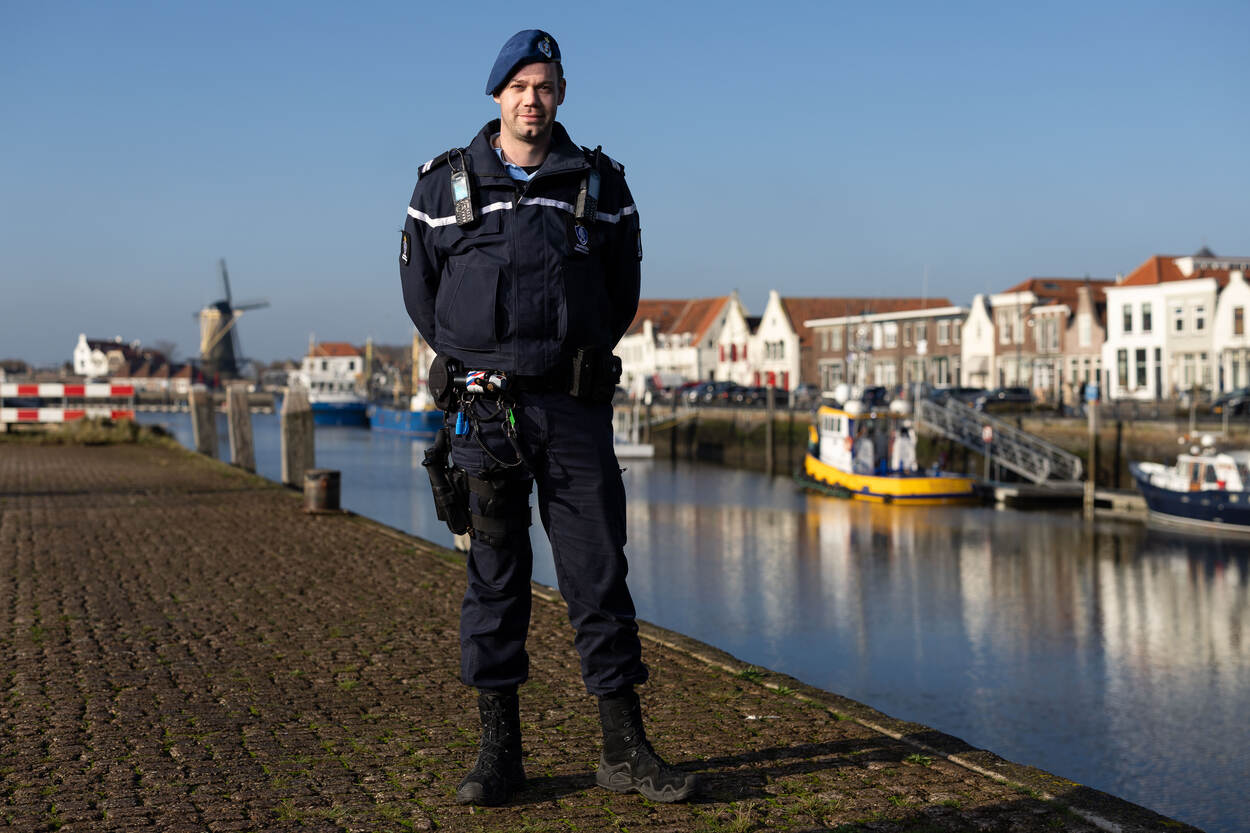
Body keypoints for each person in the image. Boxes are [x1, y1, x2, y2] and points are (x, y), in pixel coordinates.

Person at [398, 29, 697, 807]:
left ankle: (624, 748)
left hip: (572, 409)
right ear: (498, 96)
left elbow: (620, 294)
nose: (533, 100)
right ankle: (501, 752)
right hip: (484, 415)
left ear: (560, 94)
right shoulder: (442, 188)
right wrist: (471, 355)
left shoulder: (600, 184)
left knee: (598, 574)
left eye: (547, 86)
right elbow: (423, 297)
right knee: (495, 580)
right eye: (520, 86)